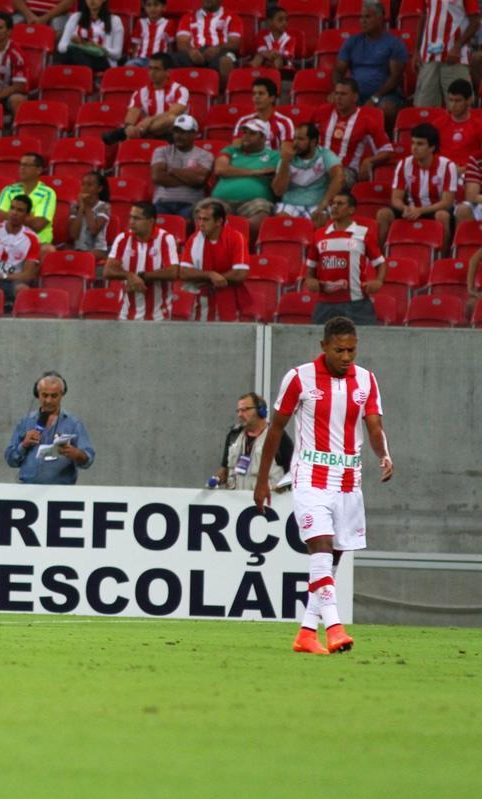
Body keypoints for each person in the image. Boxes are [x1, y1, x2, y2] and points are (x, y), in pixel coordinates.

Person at [255, 316, 394, 656]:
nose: (347, 357)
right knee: (319, 549)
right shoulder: (299, 378)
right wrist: (262, 480)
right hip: (311, 478)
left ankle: (306, 633)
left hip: (348, 482)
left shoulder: (366, 380)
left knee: (331, 561)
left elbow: (374, 426)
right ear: (324, 347)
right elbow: (275, 429)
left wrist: (384, 455)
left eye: (352, 350)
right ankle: (334, 627)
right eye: (339, 350)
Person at [307, 192, 386, 326]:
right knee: (319, 343)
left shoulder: (363, 233)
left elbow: (381, 264)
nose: (334, 207)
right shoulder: (319, 234)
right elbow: (310, 270)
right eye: (333, 204)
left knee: (366, 343)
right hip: (325, 305)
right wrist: (310, 280)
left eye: (340, 204)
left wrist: (378, 281)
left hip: (357, 304)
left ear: (351, 210)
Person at [376, 123, 457, 252]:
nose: (414, 148)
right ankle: (378, 257)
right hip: (411, 208)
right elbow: (396, 198)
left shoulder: (447, 166)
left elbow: (447, 202)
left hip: (434, 209)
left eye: (420, 144)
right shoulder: (404, 164)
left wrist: (421, 210)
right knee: (383, 214)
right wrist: (405, 208)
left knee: (443, 216)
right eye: (413, 143)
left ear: (432, 147)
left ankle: (443, 258)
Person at [4, 371, 95, 484]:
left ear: (62, 394)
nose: (48, 400)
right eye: (45, 395)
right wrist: (23, 445)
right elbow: (10, 460)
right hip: (28, 490)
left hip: (61, 493)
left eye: (54, 396)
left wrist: (77, 454)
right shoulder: (25, 422)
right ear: (38, 394)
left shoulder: (73, 424)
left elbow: (89, 459)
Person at [333, 2, 408, 132]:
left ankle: (386, 141)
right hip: (355, 94)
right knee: (334, 103)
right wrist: (338, 91)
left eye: (367, 17)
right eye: (361, 17)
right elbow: (338, 71)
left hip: (384, 95)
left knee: (387, 108)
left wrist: (375, 97)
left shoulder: (394, 43)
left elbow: (395, 78)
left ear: (380, 18)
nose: (363, 21)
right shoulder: (352, 42)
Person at [103, 200, 179, 320]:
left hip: (158, 316)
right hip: (126, 314)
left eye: (137, 219)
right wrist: (128, 276)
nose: (131, 222)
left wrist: (141, 277)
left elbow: (173, 272)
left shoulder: (165, 239)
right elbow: (107, 271)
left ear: (151, 221)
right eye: (131, 217)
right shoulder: (122, 239)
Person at [313, 79, 394, 187]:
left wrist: (369, 161)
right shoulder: (322, 112)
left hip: (346, 170)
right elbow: (305, 137)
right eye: (336, 93)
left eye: (343, 94)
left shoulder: (367, 119)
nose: (338, 98)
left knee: (334, 180)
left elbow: (387, 150)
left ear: (355, 97)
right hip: (318, 167)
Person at [179, 200, 252, 320]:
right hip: (202, 302)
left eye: (206, 220)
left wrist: (214, 277)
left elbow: (240, 273)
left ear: (219, 221)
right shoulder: (194, 239)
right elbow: (184, 272)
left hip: (229, 300)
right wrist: (210, 275)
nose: (200, 224)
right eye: (199, 219)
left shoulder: (236, 238)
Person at [211, 118, 278, 242]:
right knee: (205, 211)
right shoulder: (230, 150)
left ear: (263, 138)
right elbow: (220, 169)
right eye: (245, 132)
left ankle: (238, 244)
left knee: (261, 213)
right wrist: (255, 172)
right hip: (222, 200)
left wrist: (233, 171)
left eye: (252, 133)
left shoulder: (274, 156)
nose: (246, 136)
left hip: (254, 202)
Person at [214, 392, 292, 491]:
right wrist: (216, 479)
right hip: (235, 502)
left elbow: (294, 470)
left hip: (268, 502)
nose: (240, 414)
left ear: (261, 411)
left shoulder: (278, 436)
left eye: (244, 410)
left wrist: (283, 486)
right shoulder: (233, 435)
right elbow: (225, 468)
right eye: (238, 411)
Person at [105, 51, 188, 143]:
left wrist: (147, 121)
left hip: (174, 133)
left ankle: (122, 134)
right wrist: (129, 128)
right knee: (130, 131)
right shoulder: (141, 92)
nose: (152, 72)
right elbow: (130, 119)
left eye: (157, 69)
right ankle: (136, 133)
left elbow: (172, 114)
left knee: (172, 120)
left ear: (167, 72)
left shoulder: (179, 90)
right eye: (150, 68)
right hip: (149, 130)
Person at [273, 122, 345, 226]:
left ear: (313, 142)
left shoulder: (325, 155)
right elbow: (278, 191)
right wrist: (285, 161)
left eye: (301, 139)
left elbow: (339, 178)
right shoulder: (287, 157)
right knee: (282, 222)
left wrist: (324, 204)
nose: (295, 143)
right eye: (295, 138)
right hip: (290, 205)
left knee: (322, 220)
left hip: (317, 205)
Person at [413, 0, 480, 108]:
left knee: (459, 107)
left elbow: (475, 22)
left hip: (456, 58)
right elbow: (423, 16)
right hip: (429, 56)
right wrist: (416, 50)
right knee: (425, 107)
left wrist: (457, 46)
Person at [0, 194, 41, 308]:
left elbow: (28, 275)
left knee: (23, 289)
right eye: (12, 208)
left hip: (11, 281)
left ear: (27, 215)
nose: (14, 213)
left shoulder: (32, 239)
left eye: (20, 210)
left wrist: (1, 276)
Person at [151, 114, 212, 220]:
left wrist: (171, 170)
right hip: (162, 203)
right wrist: (189, 178)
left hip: (191, 205)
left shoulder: (205, 155)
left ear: (194, 134)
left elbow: (199, 180)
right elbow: (157, 177)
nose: (178, 136)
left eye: (184, 132)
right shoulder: (161, 151)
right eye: (176, 131)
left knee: (187, 221)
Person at [0, 152, 56, 247]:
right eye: (21, 165)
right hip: (8, 239)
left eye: (27, 165)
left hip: (37, 242)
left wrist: (11, 217)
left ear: (39, 170)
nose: (22, 168)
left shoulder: (47, 193)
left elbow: (38, 225)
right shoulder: (9, 190)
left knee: (48, 249)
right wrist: (29, 218)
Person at [173, 0, 242, 85]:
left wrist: (218, 49)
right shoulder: (188, 17)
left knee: (226, 61)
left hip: (221, 52)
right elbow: (182, 43)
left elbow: (234, 44)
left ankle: (222, 96)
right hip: (194, 53)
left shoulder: (232, 18)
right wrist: (191, 51)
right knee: (166, 60)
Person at [57, 0, 125, 72]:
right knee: (70, 54)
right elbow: (61, 47)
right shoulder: (75, 17)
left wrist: (101, 48)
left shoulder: (115, 20)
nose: (92, 0)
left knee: (73, 56)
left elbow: (117, 54)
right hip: (77, 55)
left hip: (102, 60)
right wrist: (75, 42)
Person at [232, 78, 293, 150]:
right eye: (254, 94)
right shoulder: (243, 121)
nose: (256, 97)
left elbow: (286, 152)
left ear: (272, 98)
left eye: (261, 93)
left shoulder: (284, 122)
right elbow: (236, 148)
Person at [69, 171, 112, 259]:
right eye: (83, 184)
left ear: (99, 188)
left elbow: (93, 230)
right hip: (78, 249)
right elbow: (74, 235)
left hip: (98, 250)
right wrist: (81, 208)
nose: (85, 188)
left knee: (86, 256)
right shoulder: (74, 207)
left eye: (89, 185)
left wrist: (87, 207)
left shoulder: (104, 206)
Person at [441, 79, 482, 169]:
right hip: (443, 173)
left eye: (458, 101)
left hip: (470, 173)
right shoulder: (438, 124)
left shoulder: (479, 125)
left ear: (469, 100)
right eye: (451, 100)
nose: (453, 105)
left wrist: (464, 170)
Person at [127, 0, 173, 68]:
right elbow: (135, 46)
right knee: (128, 66)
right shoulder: (140, 23)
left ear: (163, 7)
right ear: (144, 7)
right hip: (141, 60)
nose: (152, 8)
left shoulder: (169, 23)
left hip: (160, 61)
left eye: (156, 5)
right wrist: (134, 59)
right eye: (149, 5)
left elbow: (170, 46)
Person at [251, 6, 295, 71]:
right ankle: (250, 76)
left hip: (284, 64)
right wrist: (270, 54)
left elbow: (287, 55)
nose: (284, 23)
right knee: (258, 57)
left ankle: (274, 76)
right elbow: (261, 50)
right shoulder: (261, 35)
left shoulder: (290, 39)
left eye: (286, 20)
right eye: (280, 20)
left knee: (278, 60)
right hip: (265, 59)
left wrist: (275, 54)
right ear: (270, 22)